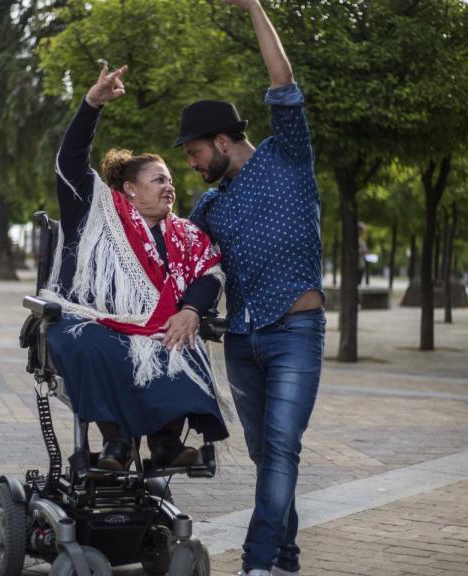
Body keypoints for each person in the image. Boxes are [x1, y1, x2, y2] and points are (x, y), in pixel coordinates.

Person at [176, 1, 323, 574]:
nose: (191, 165)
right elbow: (187, 263)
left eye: (194, 154)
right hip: (240, 340)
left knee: (283, 449)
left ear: (222, 140)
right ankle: (285, 558)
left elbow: (282, 82)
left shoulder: (290, 156)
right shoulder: (209, 206)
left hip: (296, 332)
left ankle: (257, 563)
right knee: (266, 455)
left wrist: (255, 7)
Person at [42, 64, 229, 472]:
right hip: (97, 319)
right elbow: (71, 161)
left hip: (159, 323)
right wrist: (92, 104)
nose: (170, 186)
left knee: (179, 340)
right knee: (93, 343)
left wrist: (191, 311)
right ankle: (117, 444)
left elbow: (209, 273)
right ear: (130, 188)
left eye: (170, 180)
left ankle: (165, 443)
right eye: (158, 179)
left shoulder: (184, 233)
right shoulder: (96, 209)